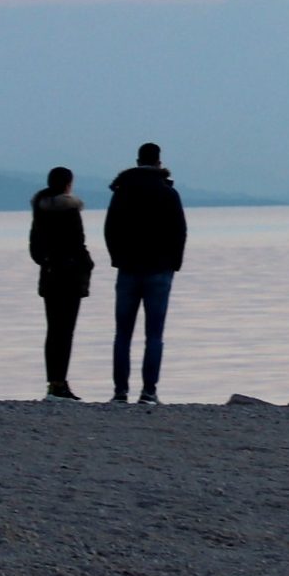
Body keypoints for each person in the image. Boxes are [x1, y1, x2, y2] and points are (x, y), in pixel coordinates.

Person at [104, 141, 187, 404]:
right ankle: (148, 392)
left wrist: (117, 258)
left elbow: (110, 229)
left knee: (123, 334)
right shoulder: (167, 192)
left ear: (138, 160)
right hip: (159, 270)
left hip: (128, 268)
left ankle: (120, 392)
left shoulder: (122, 191)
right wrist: (174, 263)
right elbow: (179, 232)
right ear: (158, 161)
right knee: (154, 335)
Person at [28, 167, 94, 401]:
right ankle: (60, 383)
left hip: (49, 277)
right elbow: (78, 243)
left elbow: (34, 249)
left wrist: (48, 261)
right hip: (70, 278)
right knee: (66, 331)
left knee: (53, 331)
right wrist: (87, 264)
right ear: (68, 184)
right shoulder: (70, 210)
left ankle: (53, 383)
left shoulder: (40, 209)